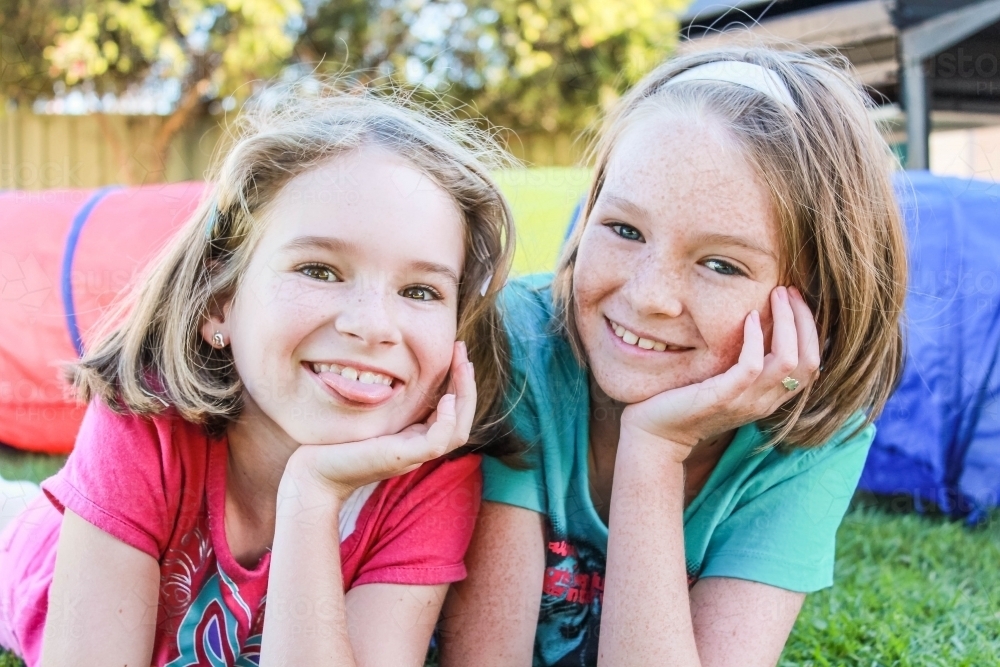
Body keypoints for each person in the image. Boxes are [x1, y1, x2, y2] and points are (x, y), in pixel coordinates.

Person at [0, 81, 518, 667]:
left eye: (420, 290)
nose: (373, 326)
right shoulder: (146, 418)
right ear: (221, 301)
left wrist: (312, 493)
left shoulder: (433, 479)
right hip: (36, 557)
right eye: (320, 270)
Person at [440, 45, 907, 667]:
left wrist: (654, 448)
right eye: (625, 230)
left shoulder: (809, 440)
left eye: (721, 264)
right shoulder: (519, 347)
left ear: (816, 300)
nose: (650, 297)